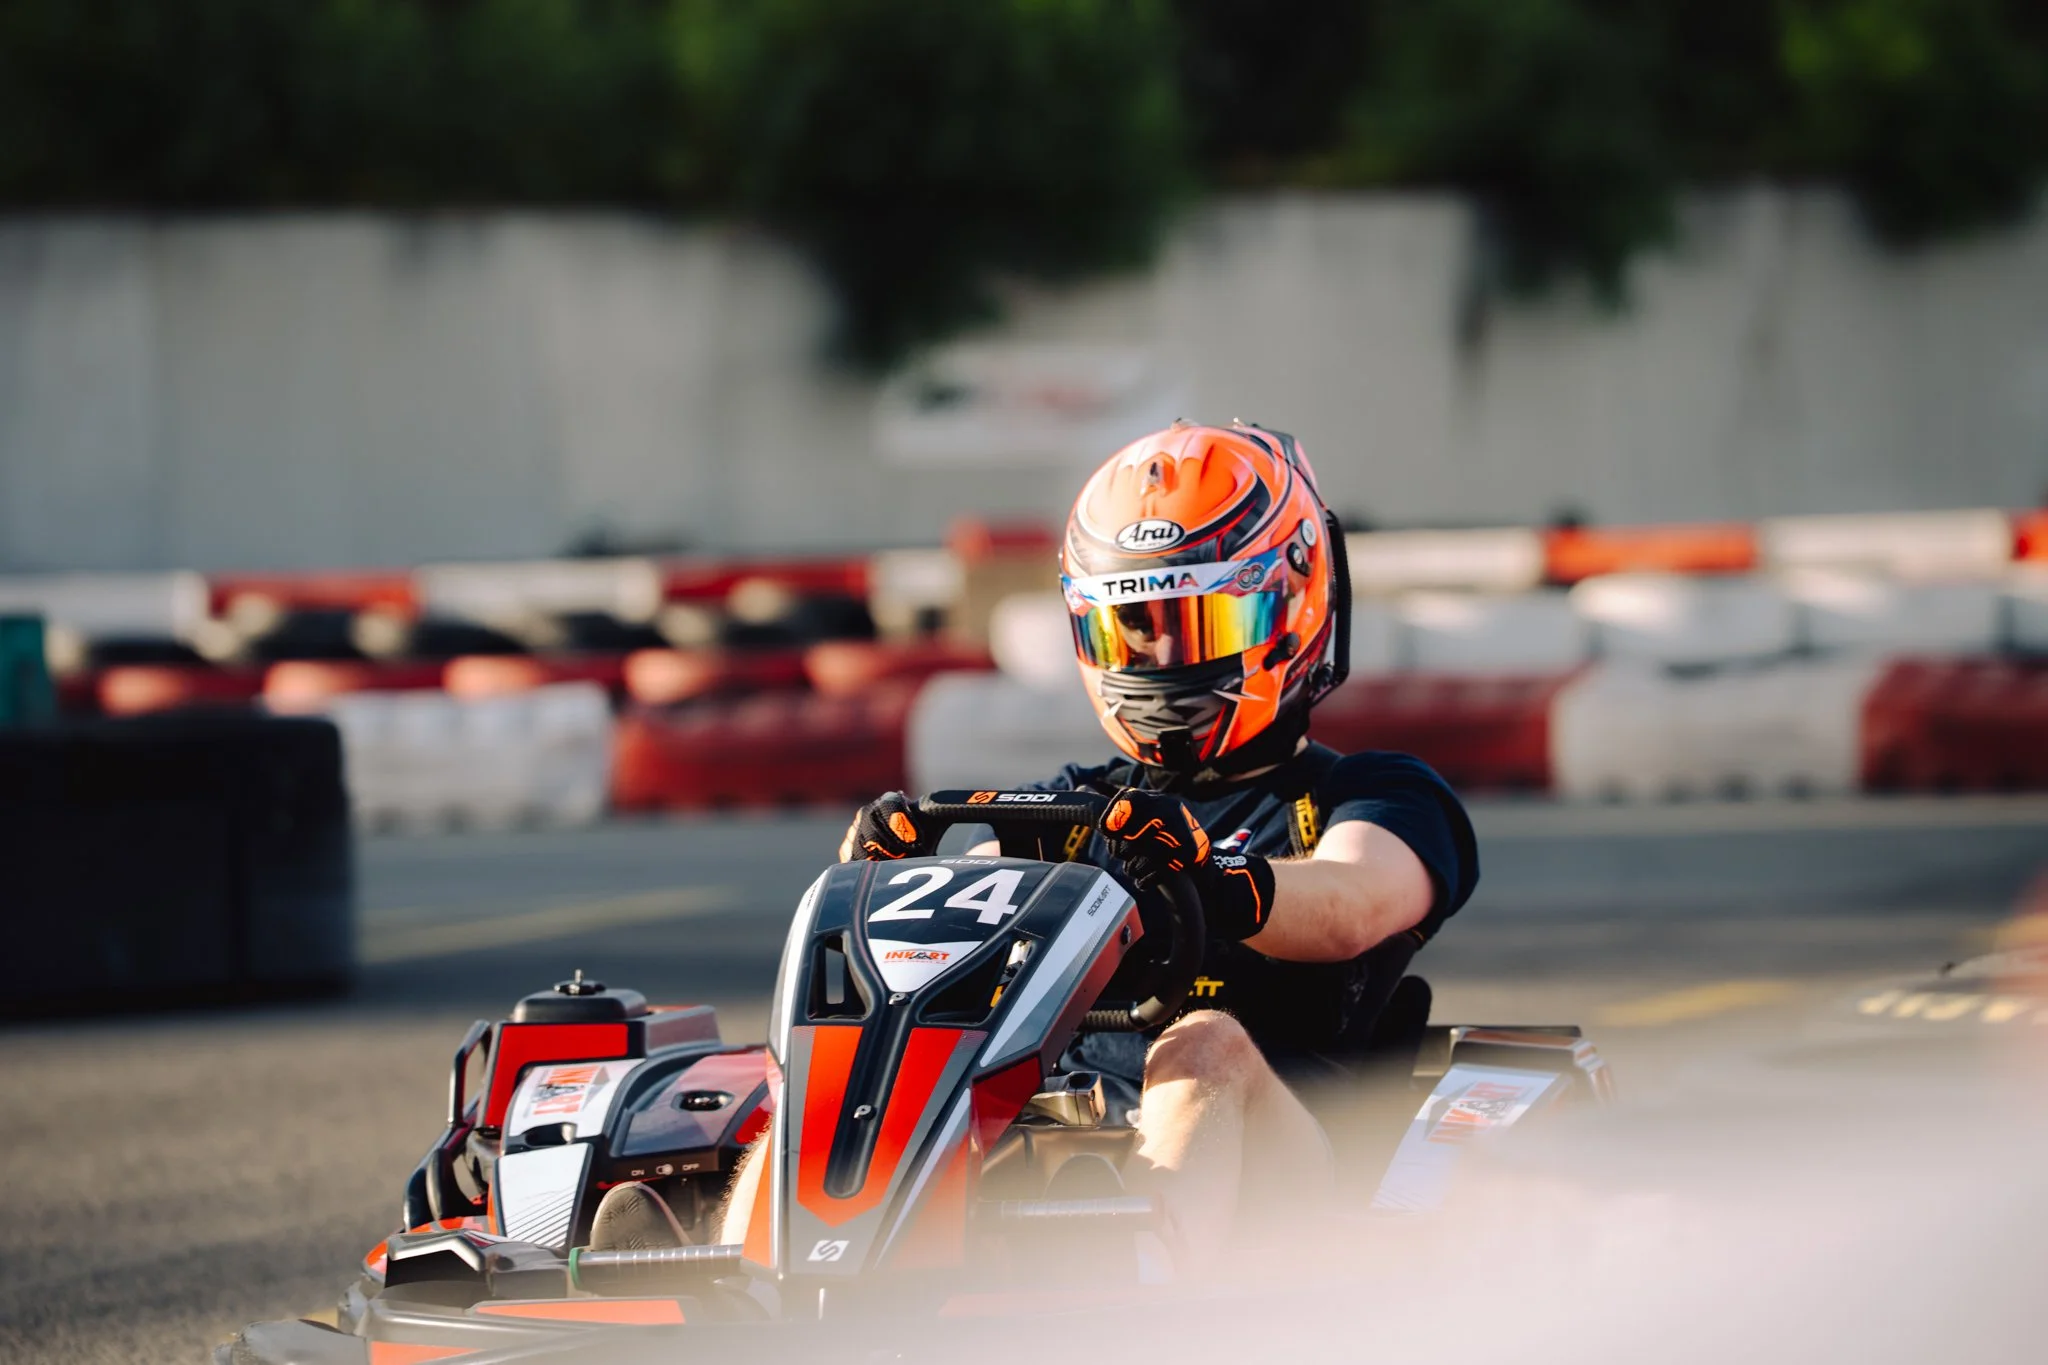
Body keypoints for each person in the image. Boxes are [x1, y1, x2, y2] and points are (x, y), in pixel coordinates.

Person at [736, 421, 1477, 1269]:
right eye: (1133, 627)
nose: (1160, 654)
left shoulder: (1378, 795)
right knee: (847, 1060)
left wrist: (1209, 882)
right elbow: (984, 888)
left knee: (1204, 1042)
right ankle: (754, 1274)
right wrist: (900, 883)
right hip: (1070, 1138)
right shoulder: (1083, 806)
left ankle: (1142, 1298)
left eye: (1196, 622)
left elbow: (1352, 902)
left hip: (1293, 1173)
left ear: (1287, 605)